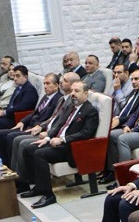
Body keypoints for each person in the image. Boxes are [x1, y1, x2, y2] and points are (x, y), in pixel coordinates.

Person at [17, 81, 99, 209]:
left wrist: (63, 139)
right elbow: (59, 125)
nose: (73, 94)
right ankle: (38, 187)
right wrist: (48, 138)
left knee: (40, 154)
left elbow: (86, 133)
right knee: (28, 150)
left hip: (71, 147)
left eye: (77, 91)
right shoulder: (71, 107)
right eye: (72, 91)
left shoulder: (90, 111)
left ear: (86, 93)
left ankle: (49, 195)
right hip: (57, 142)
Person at [0, 73, 62, 164]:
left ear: (56, 85)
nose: (45, 86)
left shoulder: (59, 99)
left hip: (38, 129)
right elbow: (35, 112)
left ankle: (12, 167)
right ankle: (4, 164)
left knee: (11, 137)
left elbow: (52, 118)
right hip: (29, 126)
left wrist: (39, 126)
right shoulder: (46, 97)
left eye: (48, 83)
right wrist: (22, 121)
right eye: (44, 83)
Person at [0, 65, 39, 159]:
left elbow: (22, 107)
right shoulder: (18, 88)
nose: (15, 79)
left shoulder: (29, 90)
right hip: (10, 115)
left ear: (25, 77)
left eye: (18, 76)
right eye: (14, 76)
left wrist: (4, 112)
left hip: (17, 119)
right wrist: (3, 111)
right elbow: (11, 105)